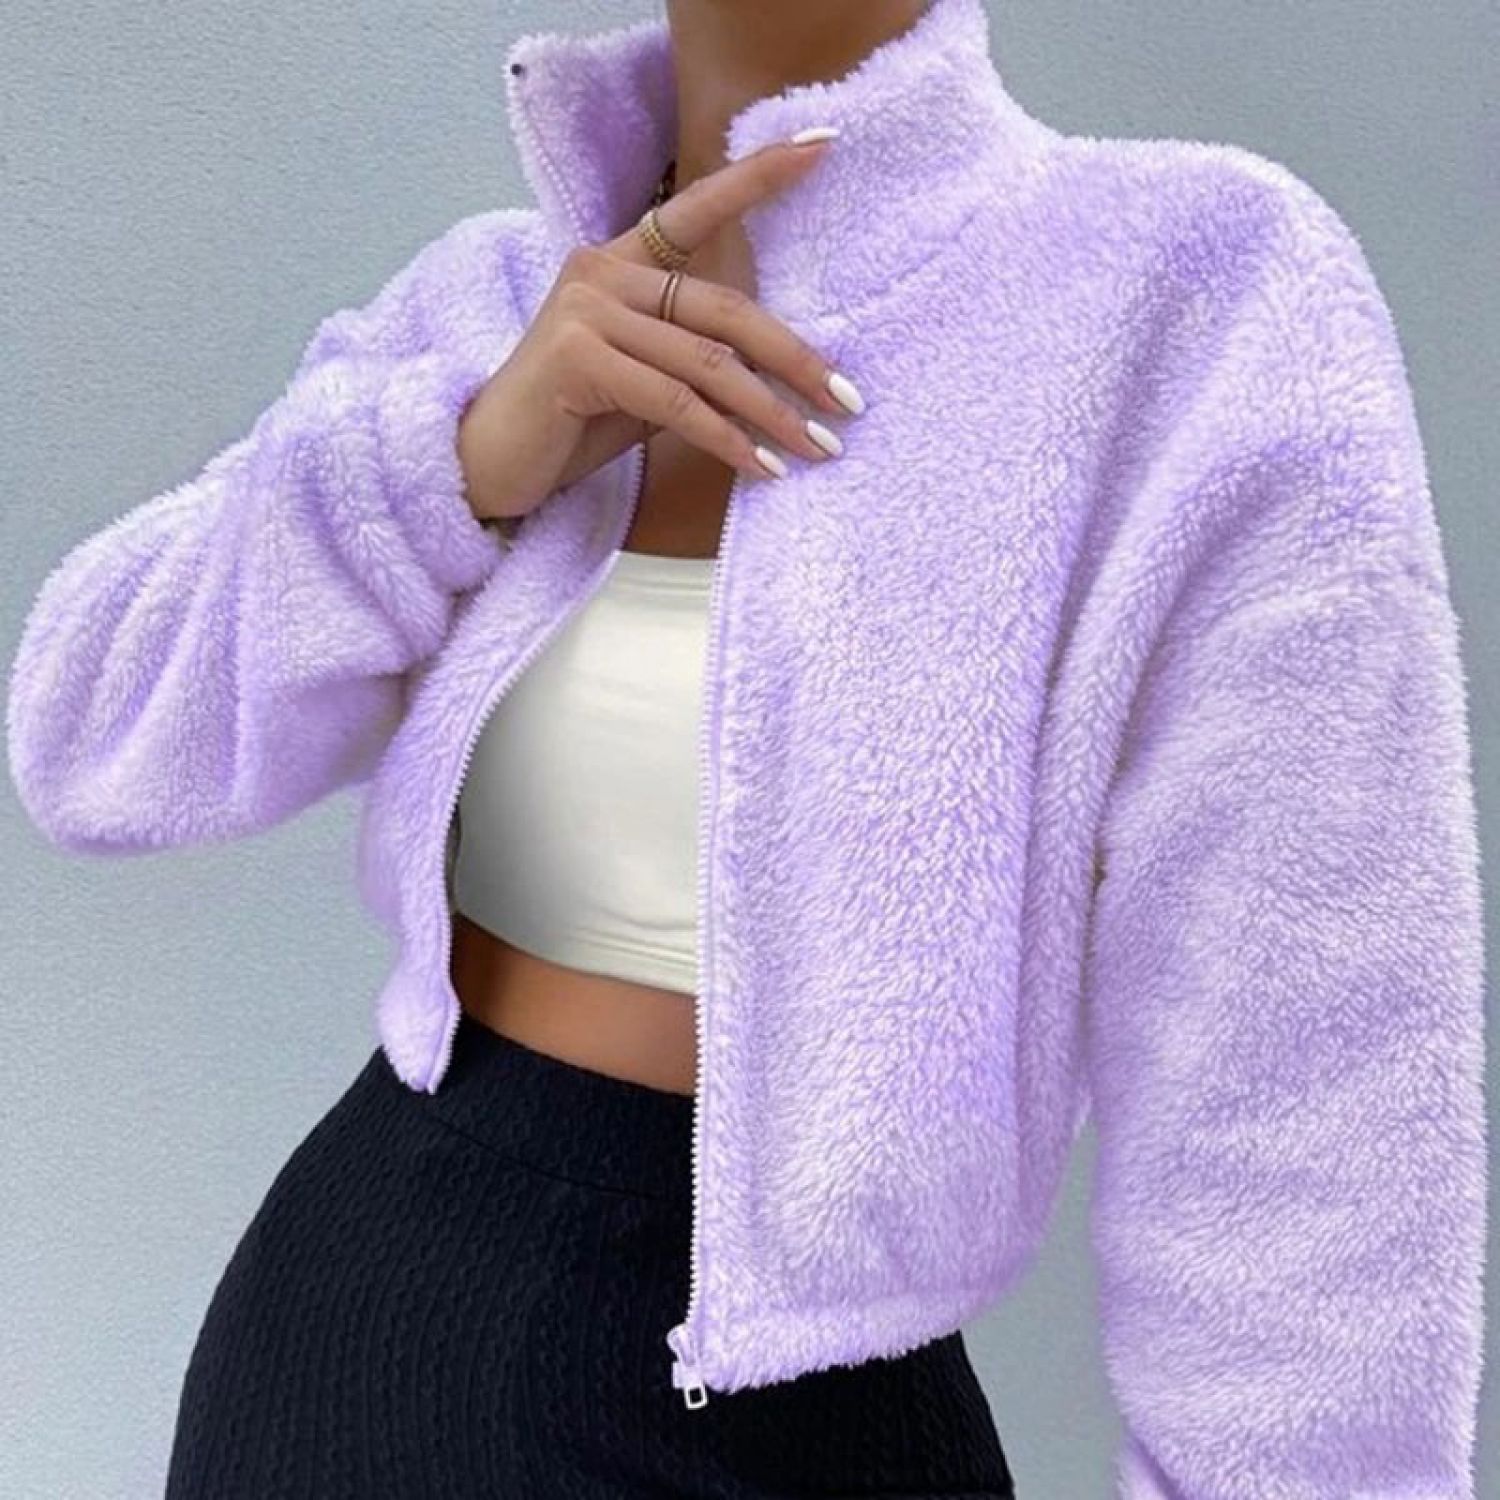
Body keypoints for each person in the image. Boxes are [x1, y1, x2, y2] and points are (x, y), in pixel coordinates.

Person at [7, 0, 1486, 1495]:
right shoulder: (493, 303)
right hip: (362, 1351)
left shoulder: (1189, 292)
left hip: (817, 1428)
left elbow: (1313, 1096)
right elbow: (91, 735)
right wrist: (459, 460)